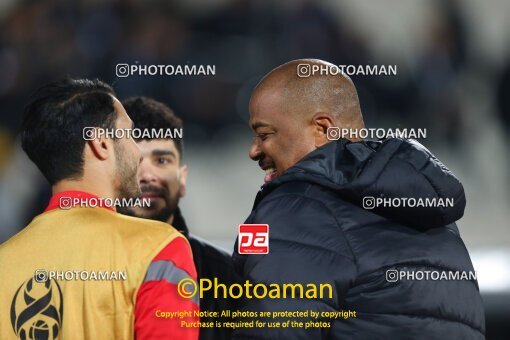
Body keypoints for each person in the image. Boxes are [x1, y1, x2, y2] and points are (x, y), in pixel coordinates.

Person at [232, 59, 485, 339]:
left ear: (323, 129)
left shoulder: (298, 206)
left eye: (264, 134)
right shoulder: (434, 222)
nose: (254, 151)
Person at [0, 78, 199, 340]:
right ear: (101, 144)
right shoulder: (160, 248)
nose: (139, 152)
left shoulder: (5, 260)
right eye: (128, 134)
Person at [118, 96, 238, 340]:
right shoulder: (79, 265)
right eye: (134, 161)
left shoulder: (226, 275)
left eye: (162, 160)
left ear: (182, 178)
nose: (148, 176)